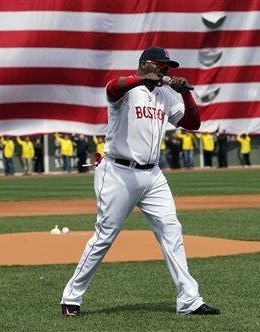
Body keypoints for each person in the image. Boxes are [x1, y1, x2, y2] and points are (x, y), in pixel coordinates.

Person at [61, 46, 220, 317]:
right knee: (104, 237)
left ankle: (190, 301)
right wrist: (144, 79)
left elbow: (193, 124)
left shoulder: (166, 95)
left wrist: (184, 94)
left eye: (168, 67)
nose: (166, 71)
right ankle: (71, 298)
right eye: (162, 66)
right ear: (146, 64)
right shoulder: (127, 90)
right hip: (118, 172)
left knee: (172, 229)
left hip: (153, 175)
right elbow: (113, 87)